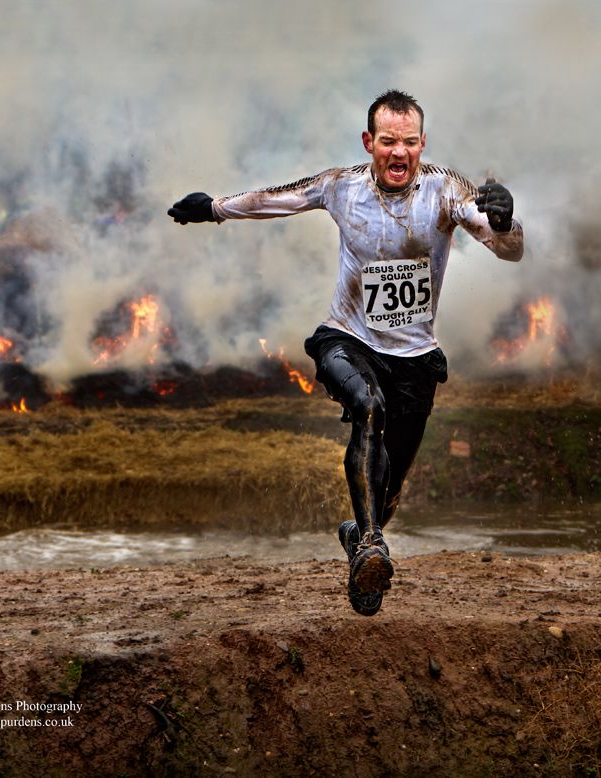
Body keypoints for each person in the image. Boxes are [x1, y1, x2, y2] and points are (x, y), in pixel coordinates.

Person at [169, 89, 523, 616]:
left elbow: (510, 250)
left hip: (415, 358)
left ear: (422, 144)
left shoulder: (448, 191)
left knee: (391, 486)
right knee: (368, 407)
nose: (398, 153)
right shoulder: (342, 186)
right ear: (369, 143)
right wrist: (215, 209)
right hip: (347, 339)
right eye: (387, 142)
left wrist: (504, 220)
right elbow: (281, 197)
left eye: (408, 142)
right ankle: (372, 546)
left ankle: (361, 532)